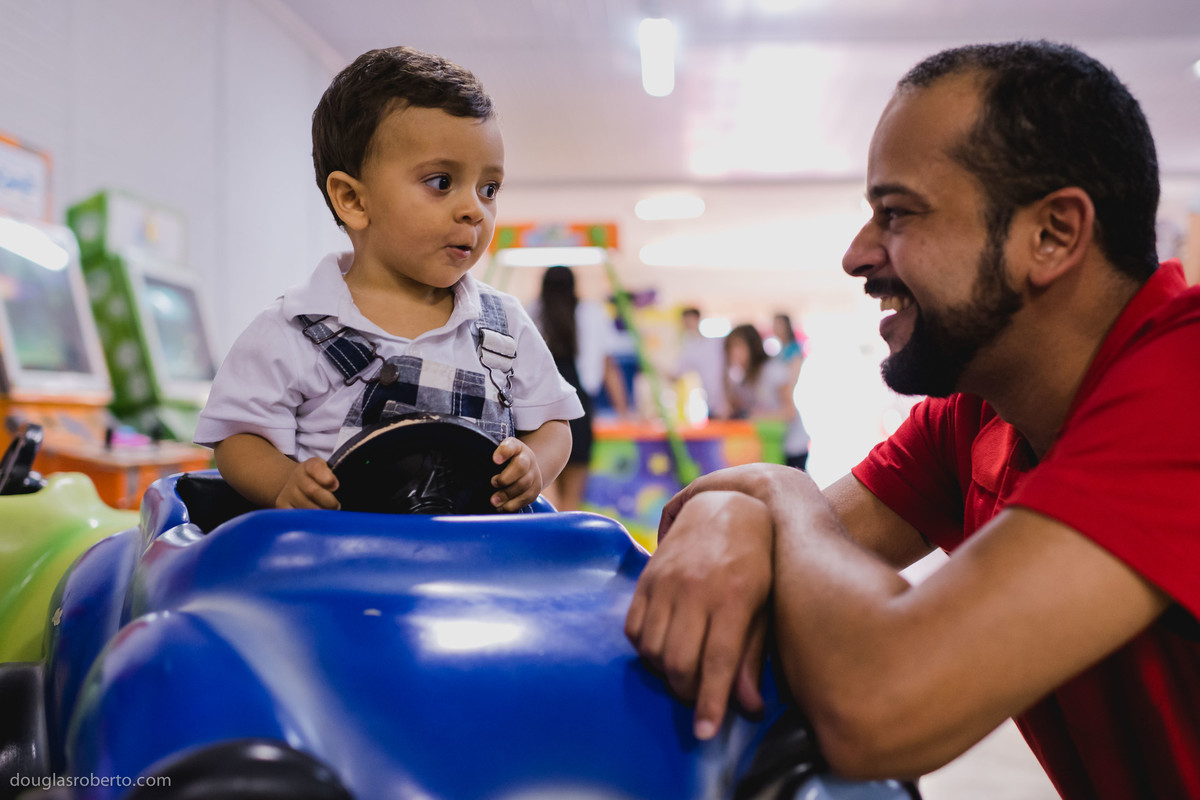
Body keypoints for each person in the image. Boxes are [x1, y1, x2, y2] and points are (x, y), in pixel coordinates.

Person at [625, 40, 1200, 799]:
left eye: (896, 214)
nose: (857, 255)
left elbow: (880, 704)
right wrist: (739, 506)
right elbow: (794, 555)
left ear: (1053, 234)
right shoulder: (980, 417)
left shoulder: (1184, 386)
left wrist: (779, 489)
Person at [194, 46, 582, 512]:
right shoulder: (293, 329)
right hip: (345, 563)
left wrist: (534, 464)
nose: (474, 209)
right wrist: (284, 484)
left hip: (477, 561)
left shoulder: (503, 326)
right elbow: (238, 437)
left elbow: (553, 424)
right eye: (441, 182)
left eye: (489, 189)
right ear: (353, 200)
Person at [528, 265, 628, 511]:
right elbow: (608, 367)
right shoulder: (592, 313)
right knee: (573, 498)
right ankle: (566, 543)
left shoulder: (531, 312)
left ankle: (547, 543)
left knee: (545, 493)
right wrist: (624, 410)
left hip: (540, 406)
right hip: (579, 405)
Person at [724, 323, 810, 470]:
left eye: (738, 345)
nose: (733, 352)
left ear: (752, 346)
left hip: (791, 446)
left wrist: (757, 417)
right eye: (730, 347)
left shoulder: (772, 370)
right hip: (769, 446)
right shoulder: (744, 379)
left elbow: (789, 412)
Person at [673, 307, 728, 419]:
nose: (687, 324)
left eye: (689, 320)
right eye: (685, 321)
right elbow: (675, 376)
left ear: (697, 319)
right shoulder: (689, 350)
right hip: (712, 403)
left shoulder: (717, 342)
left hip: (728, 401)